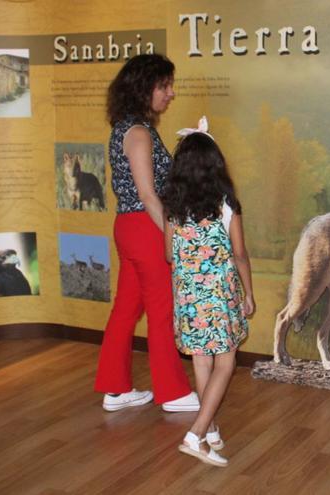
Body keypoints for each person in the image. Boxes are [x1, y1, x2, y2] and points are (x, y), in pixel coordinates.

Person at [94, 54, 199, 413]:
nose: (170, 93)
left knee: (126, 309)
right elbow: (148, 194)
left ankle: (115, 388)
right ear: (144, 88)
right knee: (160, 310)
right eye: (164, 86)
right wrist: (175, 235)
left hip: (130, 226)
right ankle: (172, 393)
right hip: (145, 226)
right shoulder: (137, 132)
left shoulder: (127, 126)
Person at [162, 119, 255, 467]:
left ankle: (211, 428)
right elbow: (240, 254)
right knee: (226, 361)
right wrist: (248, 292)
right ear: (216, 166)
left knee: (202, 360)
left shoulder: (172, 208)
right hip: (219, 297)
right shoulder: (226, 205)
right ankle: (196, 433)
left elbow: (169, 255)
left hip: (187, 298)